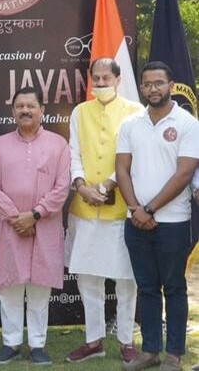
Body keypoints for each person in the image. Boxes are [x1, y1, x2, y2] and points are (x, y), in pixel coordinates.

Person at [116, 61, 199, 371]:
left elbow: (185, 173)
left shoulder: (188, 124)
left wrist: (149, 210)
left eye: (158, 83)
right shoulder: (130, 124)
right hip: (135, 221)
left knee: (174, 286)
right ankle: (150, 351)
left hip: (173, 223)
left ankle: (174, 355)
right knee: (147, 288)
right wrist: (136, 208)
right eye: (147, 84)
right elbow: (122, 168)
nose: (153, 88)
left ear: (171, 85)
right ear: (141, 87)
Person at [0, 86, 70, 366]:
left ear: (42, 110)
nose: (25, 110)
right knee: (9, 288)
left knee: (38, 288)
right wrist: (16, 217)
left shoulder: (59, 145)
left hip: (44, 228)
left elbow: (62, 187)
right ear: (13, 111)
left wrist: (34, 214)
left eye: (31, 106)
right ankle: (10, 343)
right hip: (9, 228)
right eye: (20, 106)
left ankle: (37, 345)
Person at [65, 58, 143, 365]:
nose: (99, 83)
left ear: (118, 79)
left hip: (122, 206)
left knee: (126, 279)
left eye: (105, 78)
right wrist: (81, 185)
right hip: (84, 207)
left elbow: (133, 155)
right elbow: (74, 152)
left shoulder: (135, 113)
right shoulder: (79, 112)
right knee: (88, 278)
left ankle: (126, 340)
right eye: (95, 79)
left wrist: (109, 185)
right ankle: (93, 340)